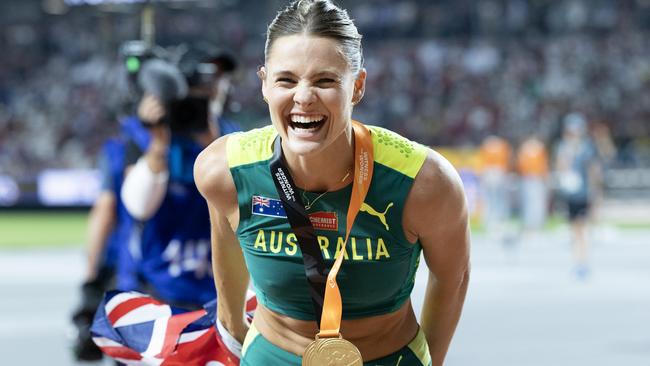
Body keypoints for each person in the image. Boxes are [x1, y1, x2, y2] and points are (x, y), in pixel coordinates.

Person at [194, 1, 470, 365]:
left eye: (325, 80)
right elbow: (227, 240)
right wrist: (231, 327)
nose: (304, 97)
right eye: (286, 80)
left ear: (356, 86)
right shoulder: (224, 171)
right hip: (272, 355)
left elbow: (453, 277)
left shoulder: (425, 182)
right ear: (264, 85)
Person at [120, 49, 239, 309]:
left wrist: (212, 143)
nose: (214, 88)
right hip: (161, 289)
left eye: (220, 79)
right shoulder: (148, 135)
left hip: (220, 291)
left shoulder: (234, 136)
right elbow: (138, 206)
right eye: (205, 83)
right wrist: (158, 141)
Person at [554, 113, 599, 279]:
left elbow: (593, 170)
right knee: (574, 229)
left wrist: (595, 194)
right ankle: (577, 261)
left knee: (582, 228)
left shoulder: (587, 147)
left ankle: (583, 261)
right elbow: (561, 168)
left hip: (583, 192)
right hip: (570, 193)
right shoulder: (563, 147)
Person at [516, 134, 549, 232]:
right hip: (533, 178)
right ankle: (535, 223)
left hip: (530, 178)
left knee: (531, 202)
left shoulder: (526, 148)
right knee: (535, 202)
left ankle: (532, 223)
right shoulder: (538, 148)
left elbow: (520, 164)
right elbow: (544, 164)